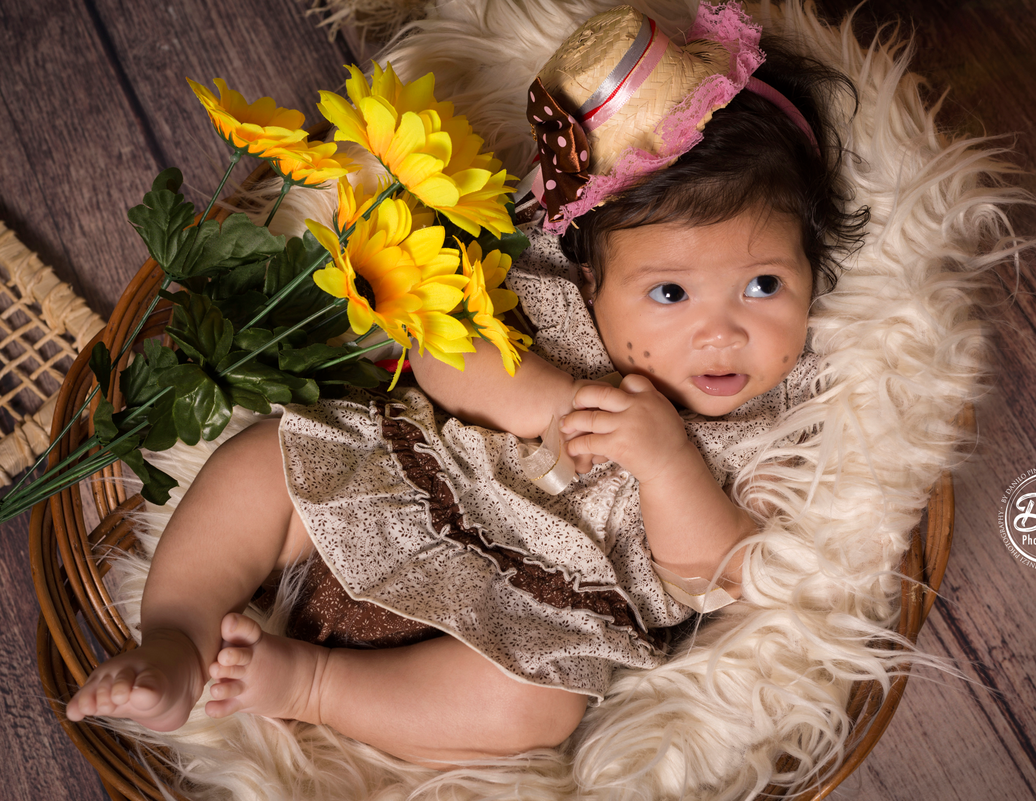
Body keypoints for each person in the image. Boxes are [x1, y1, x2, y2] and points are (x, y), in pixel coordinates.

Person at [64, 3, 867, 769]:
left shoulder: (776, 420)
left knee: (536, 711)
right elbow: (441, 354)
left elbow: (723, 571)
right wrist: (554, 403)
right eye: (669, 294)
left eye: (764, 285)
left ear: (811, 269)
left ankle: (309, 683)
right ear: (593, 277)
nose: (721, 331)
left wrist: (669, 466)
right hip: (409, 494)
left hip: (542, 619)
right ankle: (174, 633)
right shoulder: (555, 295)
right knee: (268, 457)